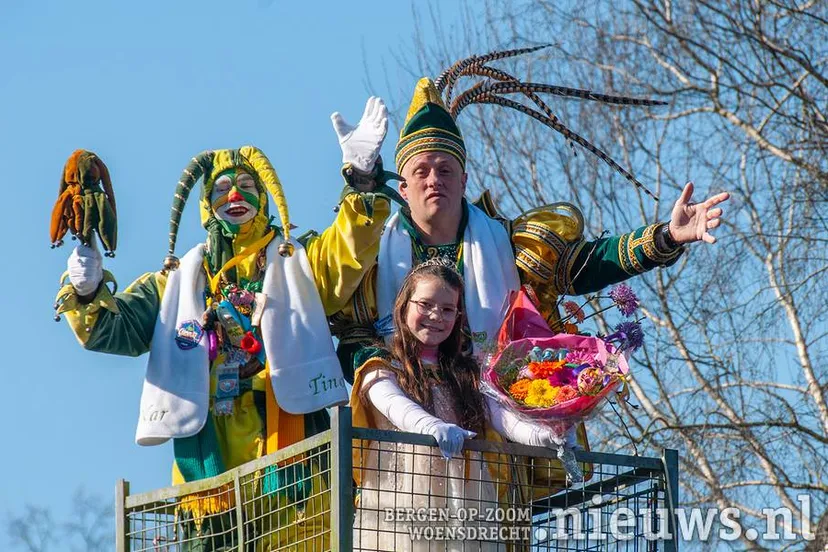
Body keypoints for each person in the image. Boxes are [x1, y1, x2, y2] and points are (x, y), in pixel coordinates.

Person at [330, 50, 730, 456]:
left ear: (465, 179)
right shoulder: (373, 253)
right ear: (402, 187)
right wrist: (359, 181)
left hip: (498, 431)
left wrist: (666, 237)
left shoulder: (507, 242)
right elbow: (348, 333)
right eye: (421, 171)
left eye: (446, 169)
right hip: (401, 432)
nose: (435, 180)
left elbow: (584, 267)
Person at [53, 138, 391, 550]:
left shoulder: (298, 261)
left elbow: (347, 253)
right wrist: (86, 291)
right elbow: (110, 329)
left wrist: (361, 181)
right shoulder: (177, 281)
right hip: (210, 461)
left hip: (291, 451)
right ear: (205, 205)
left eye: (247, 184)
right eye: (220, 188)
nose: (234, 194)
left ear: (264, 196)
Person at [350, 258, 567, 552]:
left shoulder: (466, 371)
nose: (436, 315)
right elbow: (392, 404)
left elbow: (502, 417)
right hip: (401, 492)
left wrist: (546, 436)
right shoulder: (380, 362)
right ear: (404, 306)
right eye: (425, 304)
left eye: (448, 309)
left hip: (464, 493)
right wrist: (432, 426)